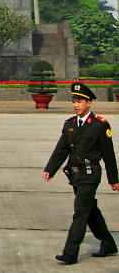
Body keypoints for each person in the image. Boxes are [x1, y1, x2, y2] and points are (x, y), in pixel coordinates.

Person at [44, 82, 118, 264]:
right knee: (90, 210)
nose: (76, 105)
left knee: (80, 213)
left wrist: (114, 179)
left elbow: (109, 155)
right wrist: (50, 169)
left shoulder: (100, 126)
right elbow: (61, 149)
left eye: (80, 101)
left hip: (91, 175)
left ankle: (70, 252)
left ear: (89, 103)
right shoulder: (70, 125)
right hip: (76, 175)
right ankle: (108, 244)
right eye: (74, 101)